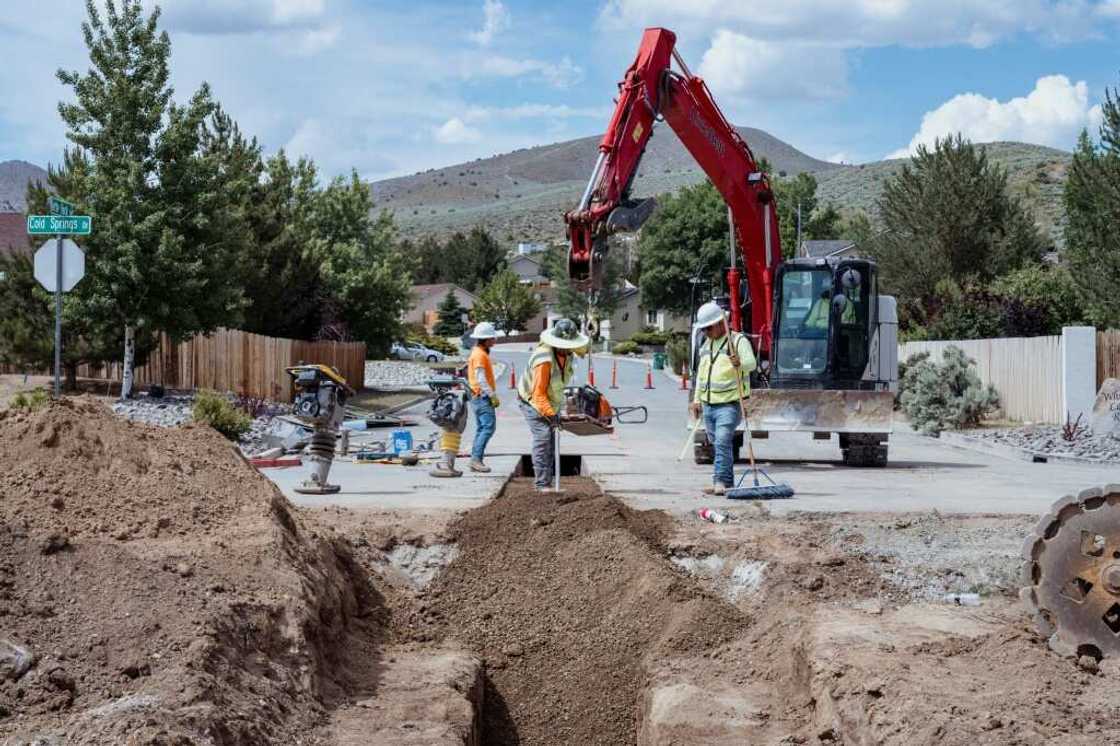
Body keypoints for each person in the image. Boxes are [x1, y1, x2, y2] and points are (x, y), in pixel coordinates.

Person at [688, 301, 757, 495]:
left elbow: (751, 364)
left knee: (722, 441)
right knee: (717, 443)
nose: (706, 332)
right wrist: (696, 399)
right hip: (709, 405)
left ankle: (720, 481)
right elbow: (702, 374)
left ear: (720, 323)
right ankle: (726, 482)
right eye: (703, 329)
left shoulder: (737, 341)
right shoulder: (707, 344)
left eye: (708, 328)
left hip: (729, 404)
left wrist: (740, 363)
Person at [518, 318, 589, 491]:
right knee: (543, 438)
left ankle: (547, 483)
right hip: (532, 401)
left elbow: (583, 351)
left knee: (551, 441)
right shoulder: (544, 359)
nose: (568, 348)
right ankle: (542, 485)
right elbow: (538, 394)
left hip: (550, 402)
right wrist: (551, 415)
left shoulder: (569, 353)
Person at [467, 321, 500, 473]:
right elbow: (481, 378)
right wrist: (492, 395)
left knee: (482, 428)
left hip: (477, 396)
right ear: (486, 339)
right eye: (492, 338)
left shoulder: (478, 352)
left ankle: (475, 458)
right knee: (488, 428)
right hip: (482, 396)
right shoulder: (480, 355)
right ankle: (476, 459)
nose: (495, 340)